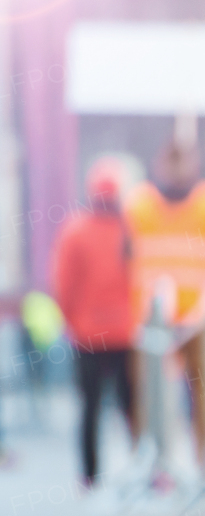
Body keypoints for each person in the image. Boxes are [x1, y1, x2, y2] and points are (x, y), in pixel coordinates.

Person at [124, 141, 205, 471]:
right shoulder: (139, 205)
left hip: (198, 315)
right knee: (148, 394)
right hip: (151, 316)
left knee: (203, 393)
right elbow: (125, 255)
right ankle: (151, 465)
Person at [50, 162, 137, 488]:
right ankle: (143, 470)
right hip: (127, 332)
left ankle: (90, 475)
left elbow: (63, 284)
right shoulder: (130, 229)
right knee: (133, 405)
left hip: (88, 334)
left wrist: (72, 322)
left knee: (90, 406)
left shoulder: (76, 230)